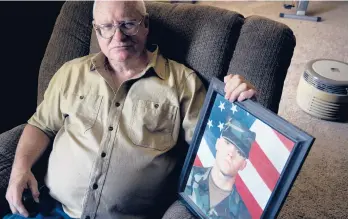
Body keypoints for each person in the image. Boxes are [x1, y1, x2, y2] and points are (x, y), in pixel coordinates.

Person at [5, 1, 257, 219]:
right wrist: (20, 169)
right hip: (53, 210)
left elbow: (214, 147)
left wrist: (240, 100)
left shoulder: (183, 83)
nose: (118, 37)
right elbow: (41, 125)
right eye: (106, 27)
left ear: (145, 24)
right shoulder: (71, 72)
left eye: (128, 24)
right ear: (96, 30)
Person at [185, 118, 256, 219]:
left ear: (243, 165)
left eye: (239, 152)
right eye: (227, 143)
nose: (231, 154)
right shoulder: (189, 175)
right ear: (217, 143)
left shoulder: (242, 215)